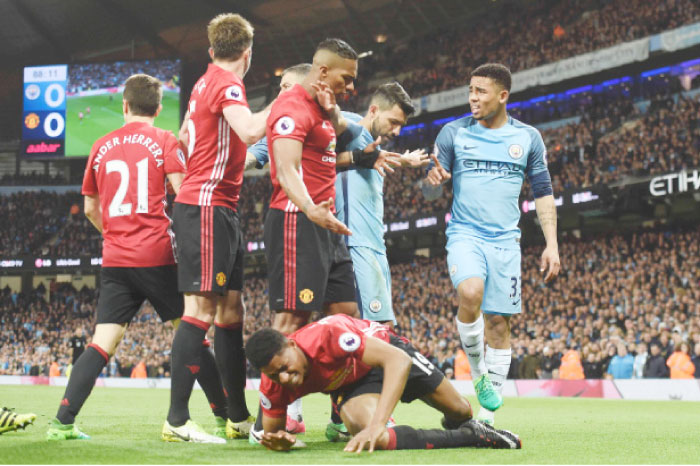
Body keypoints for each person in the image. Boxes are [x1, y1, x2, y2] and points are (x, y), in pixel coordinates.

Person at [47, 74, 228, 443]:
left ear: (124, 105)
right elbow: (184, 195)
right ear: (159, 109)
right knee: (192, 331)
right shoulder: (164, 140)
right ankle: (223, 417)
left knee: (102, 342)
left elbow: (90, 207)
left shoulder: (99, 146)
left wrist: (115, 235)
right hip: (158, 253)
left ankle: (62, 423)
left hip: (115, 260)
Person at [426, 63, 560, 425]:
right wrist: (432, 179)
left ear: (503, 96)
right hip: (465, 233)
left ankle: (488, 412)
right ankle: (477, 372)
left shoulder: (528, 138)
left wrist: (552, 244)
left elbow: (544, 192)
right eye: (470, 90)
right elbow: (427, 183)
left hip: (506, 242)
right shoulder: (453, 133)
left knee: (498, 323)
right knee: (470, 293)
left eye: (480, 92)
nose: (472, 98)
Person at [166, 12, 271, 442]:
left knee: (231, 312)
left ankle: (237, 416)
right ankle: (175, 421)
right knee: (201, 312)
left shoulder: (203, 82)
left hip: (219, 208)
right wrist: (288, 99)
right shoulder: (228, 84)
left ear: (213, 51)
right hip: (207, 208)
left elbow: (182, 139)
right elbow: (247, 130)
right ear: (247, 54)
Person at [258, 38, 360, 440]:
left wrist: (333, 112)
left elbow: (342, 138)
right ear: (322, 72)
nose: (351, 86)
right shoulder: (290, 108)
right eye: (345, 78)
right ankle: (275, 417)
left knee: (345, 315)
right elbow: (285, 170)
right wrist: (310, 208)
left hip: (325, 225)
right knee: (290, 320)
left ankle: (342, 412)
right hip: (296, 220)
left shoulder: (321, 110)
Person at [246, 314, 521, 453]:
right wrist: (280, 444)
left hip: (389, 352)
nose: (283, 377)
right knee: (369, 434)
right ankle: (472, 436)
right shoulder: (275, 384)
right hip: (351, 385)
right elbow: (272, 432)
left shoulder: (328, 337)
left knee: (461, 411)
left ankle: (464, 425)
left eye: (284, 367)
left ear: (293, 345)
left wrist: (381, 421)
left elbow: (397, 362)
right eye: (273, 375)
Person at [335, 83, 428, 326]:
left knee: (382, 326)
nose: (397, 132)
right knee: (375, 326)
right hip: (355, 243)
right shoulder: (350, 131)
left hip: (376, 244)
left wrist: (404, 161)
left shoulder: (374, 145)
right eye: (393, 122)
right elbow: (320, 157)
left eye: (401, 126)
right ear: (374, 110)